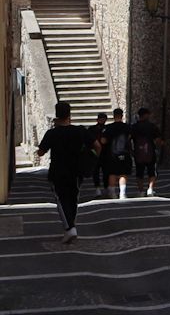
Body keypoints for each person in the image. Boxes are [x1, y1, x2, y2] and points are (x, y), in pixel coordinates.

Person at [37, 101, 89, 242]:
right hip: (76, 171)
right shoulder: (80, 131)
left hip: (58, 171)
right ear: (69, 114)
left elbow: (41, 152)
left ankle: (70, 228)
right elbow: (97, 146)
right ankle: (71, 226)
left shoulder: (52, 133)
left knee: (61, 199)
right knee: (73, 199)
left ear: (57, 115)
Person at [130, 107, 163, 197]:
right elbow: (158, 139)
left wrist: (131, 150)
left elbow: (129, 139)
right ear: (146, 115)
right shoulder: (152, 126)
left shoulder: (134, 127)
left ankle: (141, 191)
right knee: (151, 171)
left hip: (138, 152)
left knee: (139, 172)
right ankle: (150, 189)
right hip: (150, 151)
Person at [100, 107, 132, 198]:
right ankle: (123, 193)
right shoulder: (127, 127)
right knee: (123, 173)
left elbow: (103, 141)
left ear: (114, 116)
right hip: (124, 152)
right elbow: (129, 137)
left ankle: (112, 193)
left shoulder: (109, 128)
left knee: (112, 173)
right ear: (122, 116)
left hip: (112, 153)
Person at [89, 112, 107, 196]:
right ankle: (103, 188)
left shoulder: (92, 129)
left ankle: (98, 188)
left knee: (98, 171)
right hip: (102, 153)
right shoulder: (107, 129)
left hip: (96, 153)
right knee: (104, 171)